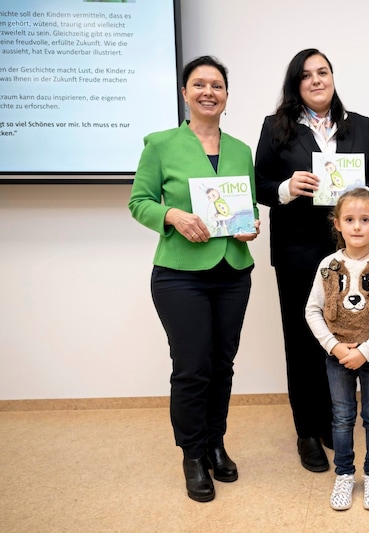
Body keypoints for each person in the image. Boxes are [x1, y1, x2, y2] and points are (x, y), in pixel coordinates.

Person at [128, 56, 260, 502]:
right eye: (199, 84)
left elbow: (251, 207)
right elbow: (139, 201)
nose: (208, 92)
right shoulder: (161, 144)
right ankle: (192, 454)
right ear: (185, 93)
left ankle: (216, 444)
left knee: (222, 364)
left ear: (226, 95)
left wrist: (251, 225)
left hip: (232, 270)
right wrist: (171, 215)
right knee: (191, 368)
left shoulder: (241, 149)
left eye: (217, 85)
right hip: (179, 275)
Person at [255, 49, 369, 473]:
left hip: (351, 254)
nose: (316, 80)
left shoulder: (359, 126)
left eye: (322, 72)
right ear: (296, 84)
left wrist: (365, 206)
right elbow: (260, 186)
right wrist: (289, 187)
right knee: (302, 340)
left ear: (332, 77)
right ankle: (307, 432)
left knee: (344, 333)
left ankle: (334, 423)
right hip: (297, 252)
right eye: (306, 75)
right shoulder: (276, 128)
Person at [305, 188, 369, 511]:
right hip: (337, 356)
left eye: (364, 220)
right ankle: (344, 473)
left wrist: (366, 351)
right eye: (349, 220)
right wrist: (335, 347)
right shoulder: (328, 265)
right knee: (342, 417)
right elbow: (312, 311)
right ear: (337, 225)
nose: (357, 226)